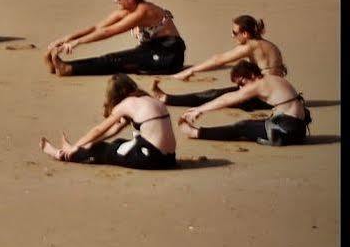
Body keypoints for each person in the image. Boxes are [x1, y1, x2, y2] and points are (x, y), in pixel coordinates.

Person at [44, 0, 185, 76]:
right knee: (114, 58)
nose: (115, 1)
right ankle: (65, 67)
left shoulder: (143, 10)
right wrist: (65, 39)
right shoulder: (125, 11)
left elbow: (109, 31)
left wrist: (77, 43)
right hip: (150, 49)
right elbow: (97, 28)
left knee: (115, 60)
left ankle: (68, 68)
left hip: (169, 54)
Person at [39, 74, 176, 169]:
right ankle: (76, 150)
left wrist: (76, 146)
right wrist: (88, 143)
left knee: (102, 150)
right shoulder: (147, 99)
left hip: (152, 159)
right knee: (118, 143)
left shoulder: (126, 104)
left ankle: (62, 154)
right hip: (169, 159)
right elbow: (115, 129)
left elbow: (99, 130)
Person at [159, 15, 286, 106]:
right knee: (220, 93)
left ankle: (168, 99)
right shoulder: (264, 44)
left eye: (234, 32)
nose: (232, 35)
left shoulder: (250, 46)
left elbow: (218, 60)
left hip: (266, 96)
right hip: (277, 91)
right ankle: (169, 98)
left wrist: (190, 70)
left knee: (214, 94)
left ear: (245, 34)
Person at [176, 62, 312, 146]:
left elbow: (228, 98)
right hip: (298, 129)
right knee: (253, 124)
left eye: (242, 83)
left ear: (252, 75)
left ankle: (196, 133)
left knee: (242, 127)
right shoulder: (271, 79)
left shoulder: (259, 84)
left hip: (286, 131)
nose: (241, 88)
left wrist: (199, 110)